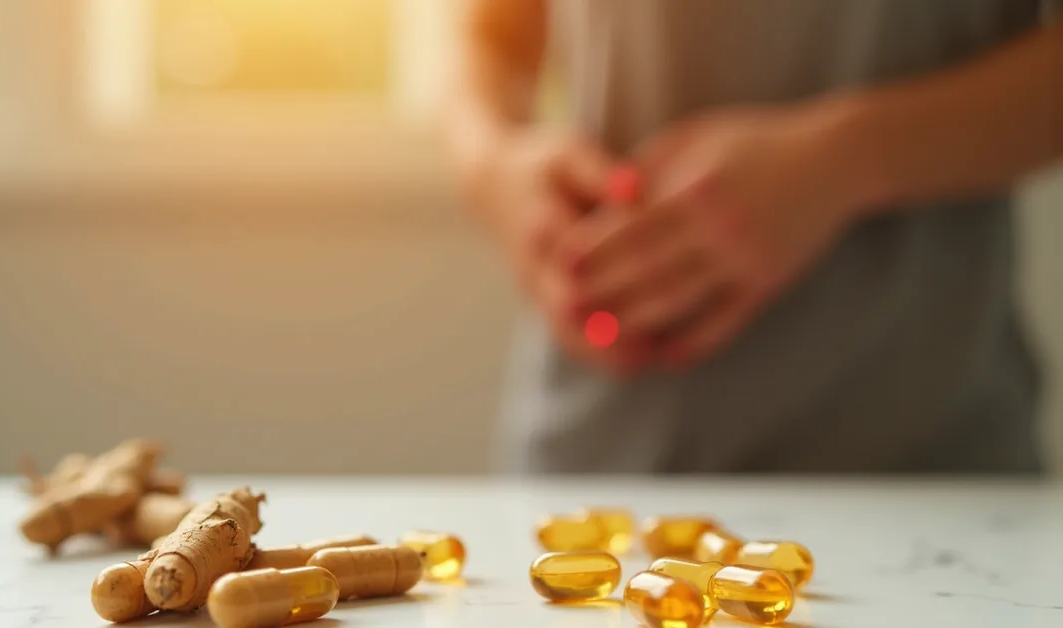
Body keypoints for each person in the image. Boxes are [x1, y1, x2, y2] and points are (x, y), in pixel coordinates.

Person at [443, 1, 1063, 474]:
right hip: (595, 470)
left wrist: (847, 158)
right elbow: (487, 32)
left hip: (932, 463)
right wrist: (496, 163)